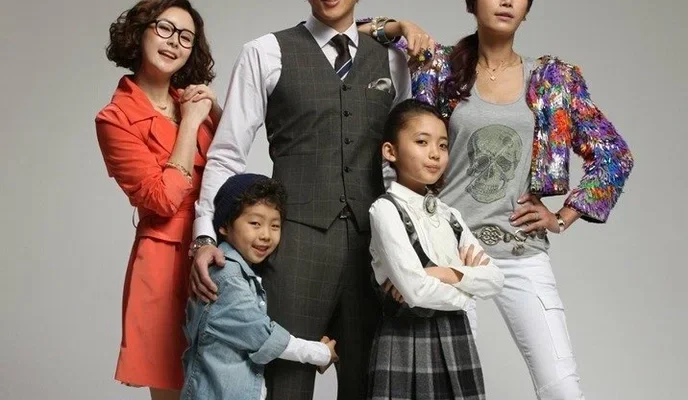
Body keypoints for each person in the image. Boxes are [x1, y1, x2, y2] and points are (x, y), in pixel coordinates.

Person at [367, 1, 634, 398]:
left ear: (527, 10)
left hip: (521, 250)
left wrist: (563, 216)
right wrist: (400, 26)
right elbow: (346, 31)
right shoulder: (438, 67)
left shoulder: (553, 80)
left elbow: (614, 154)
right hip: (448, 253)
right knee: (452, 388)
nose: (506, 1)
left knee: (562, 388)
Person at [187, 1, 416, 398]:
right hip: (293, 247)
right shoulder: (265, 52)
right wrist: (205, 235)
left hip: (374, 249)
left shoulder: (394, 62)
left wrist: (411, 250)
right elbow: (227, 154)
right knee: (285, 383)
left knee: (370, 384)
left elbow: (402, 162)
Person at [95, 1, 219, 398]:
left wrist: (214, 110)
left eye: (186, 37)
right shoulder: (115, 118)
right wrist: (191, 124)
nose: (174, 42)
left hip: (217, 249)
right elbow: (162, 200)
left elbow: (228, 173)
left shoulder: (195, 102)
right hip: (165, 264)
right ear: (140, 32)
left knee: (229, 381)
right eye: (165, 28)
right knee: (172, 384)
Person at [367, 99, 504, 400]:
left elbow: (495, 279)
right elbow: (416, 291)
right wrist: (468, 290)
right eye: (422, 142)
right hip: (405, 340)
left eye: (442, 145)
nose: (435, 153)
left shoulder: (450, 215)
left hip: (457, 338)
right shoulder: (385, 210)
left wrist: (443, 273)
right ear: (390, 151)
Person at [181, 174, 339, 400]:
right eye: (255, 223)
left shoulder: (244, 271)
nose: (266, 235)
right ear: (224, 225)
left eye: (275, 226)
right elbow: (263, 336)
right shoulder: (226, 275)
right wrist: (322, 353)